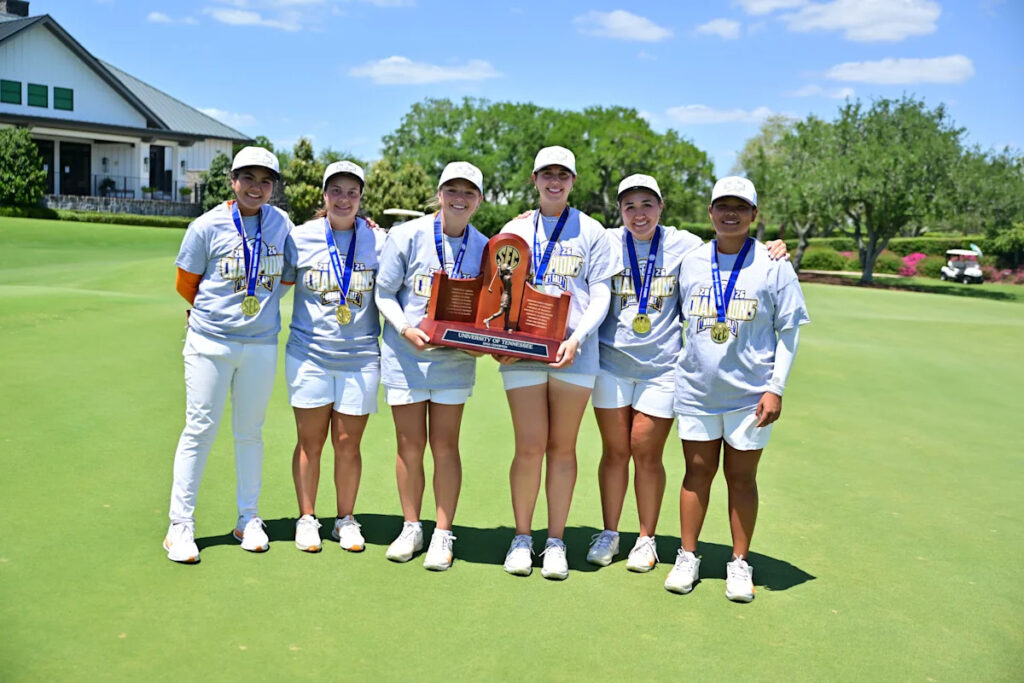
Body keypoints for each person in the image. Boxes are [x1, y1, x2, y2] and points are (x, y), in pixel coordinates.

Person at [588, 175, 789, 573]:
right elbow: (559, 235)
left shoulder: (685, 246)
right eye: (629, 206)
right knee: (614, 452)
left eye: (647, 204)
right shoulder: (606, 241)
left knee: (646, 452)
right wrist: (523, 218)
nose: (638, 213)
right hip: (610, 365)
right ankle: (610, 533)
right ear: (619, 211)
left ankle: (646, 540)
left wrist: (771, 248)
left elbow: (730, 251)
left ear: (662, 208)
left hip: (663, 369)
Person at [664, 176, 809, 602]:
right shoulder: (690, 261)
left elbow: (789, 332)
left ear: (754, 215)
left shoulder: (774, 264)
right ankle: (688, 555)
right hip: (696, 390)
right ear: (709, 212)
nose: (730, 213)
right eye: (722, 206)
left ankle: (739, 563)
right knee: (696, 474)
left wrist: (776, 388)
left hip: (751, 395)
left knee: (741, 479)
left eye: (740, 207)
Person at [163, 146, 296, 564]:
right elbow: (187, 283)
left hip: (259, 343)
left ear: (272, 187)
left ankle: (248, 518)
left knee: (250, 432)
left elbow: (287, 276)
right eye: (248, 179)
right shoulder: (206, 226)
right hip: (209, 343)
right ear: (232, 180)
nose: (256, 188)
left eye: (265, 181)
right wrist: (218, 313)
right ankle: (179, 526)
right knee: (200, 429)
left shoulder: (281, 224)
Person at [494, 146, 616, 580]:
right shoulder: (515, 229)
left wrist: (578, 337)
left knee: (563, 448)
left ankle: (557, 541)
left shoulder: (593, 231)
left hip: (574, 352)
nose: (555, 182)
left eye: (563, 175)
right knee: (529, 446)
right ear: (534, 179)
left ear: (573, 182)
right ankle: (523, 538)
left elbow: (600, 292)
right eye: (547, 174)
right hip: (523, 350)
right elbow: (498, 288)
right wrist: (499, 337)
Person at [374, 161, 489, 571]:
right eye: (452, 191)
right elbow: (384, 293)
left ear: (478, 200)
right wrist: (405, 329)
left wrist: (481, 342)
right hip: (406, 357)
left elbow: (490, 309)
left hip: (454, 361)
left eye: (468, 193)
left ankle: (443, 532)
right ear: (439, 194)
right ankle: (411, 527)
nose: (460, 199)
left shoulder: (485, 245)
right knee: (409, 446)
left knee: (445, 445)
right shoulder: (407, 235)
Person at [286, 161, 386, 553]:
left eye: (352, 192)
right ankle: (307, 518)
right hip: (309, 355)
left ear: (361, 198)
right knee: (310, 441)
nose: (344, 199)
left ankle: (344, 519)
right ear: (323, 195)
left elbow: (427, 236)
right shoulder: (300, 237)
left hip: (361, 358)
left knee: (348, 443)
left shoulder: (379, 240)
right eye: (337, 191)